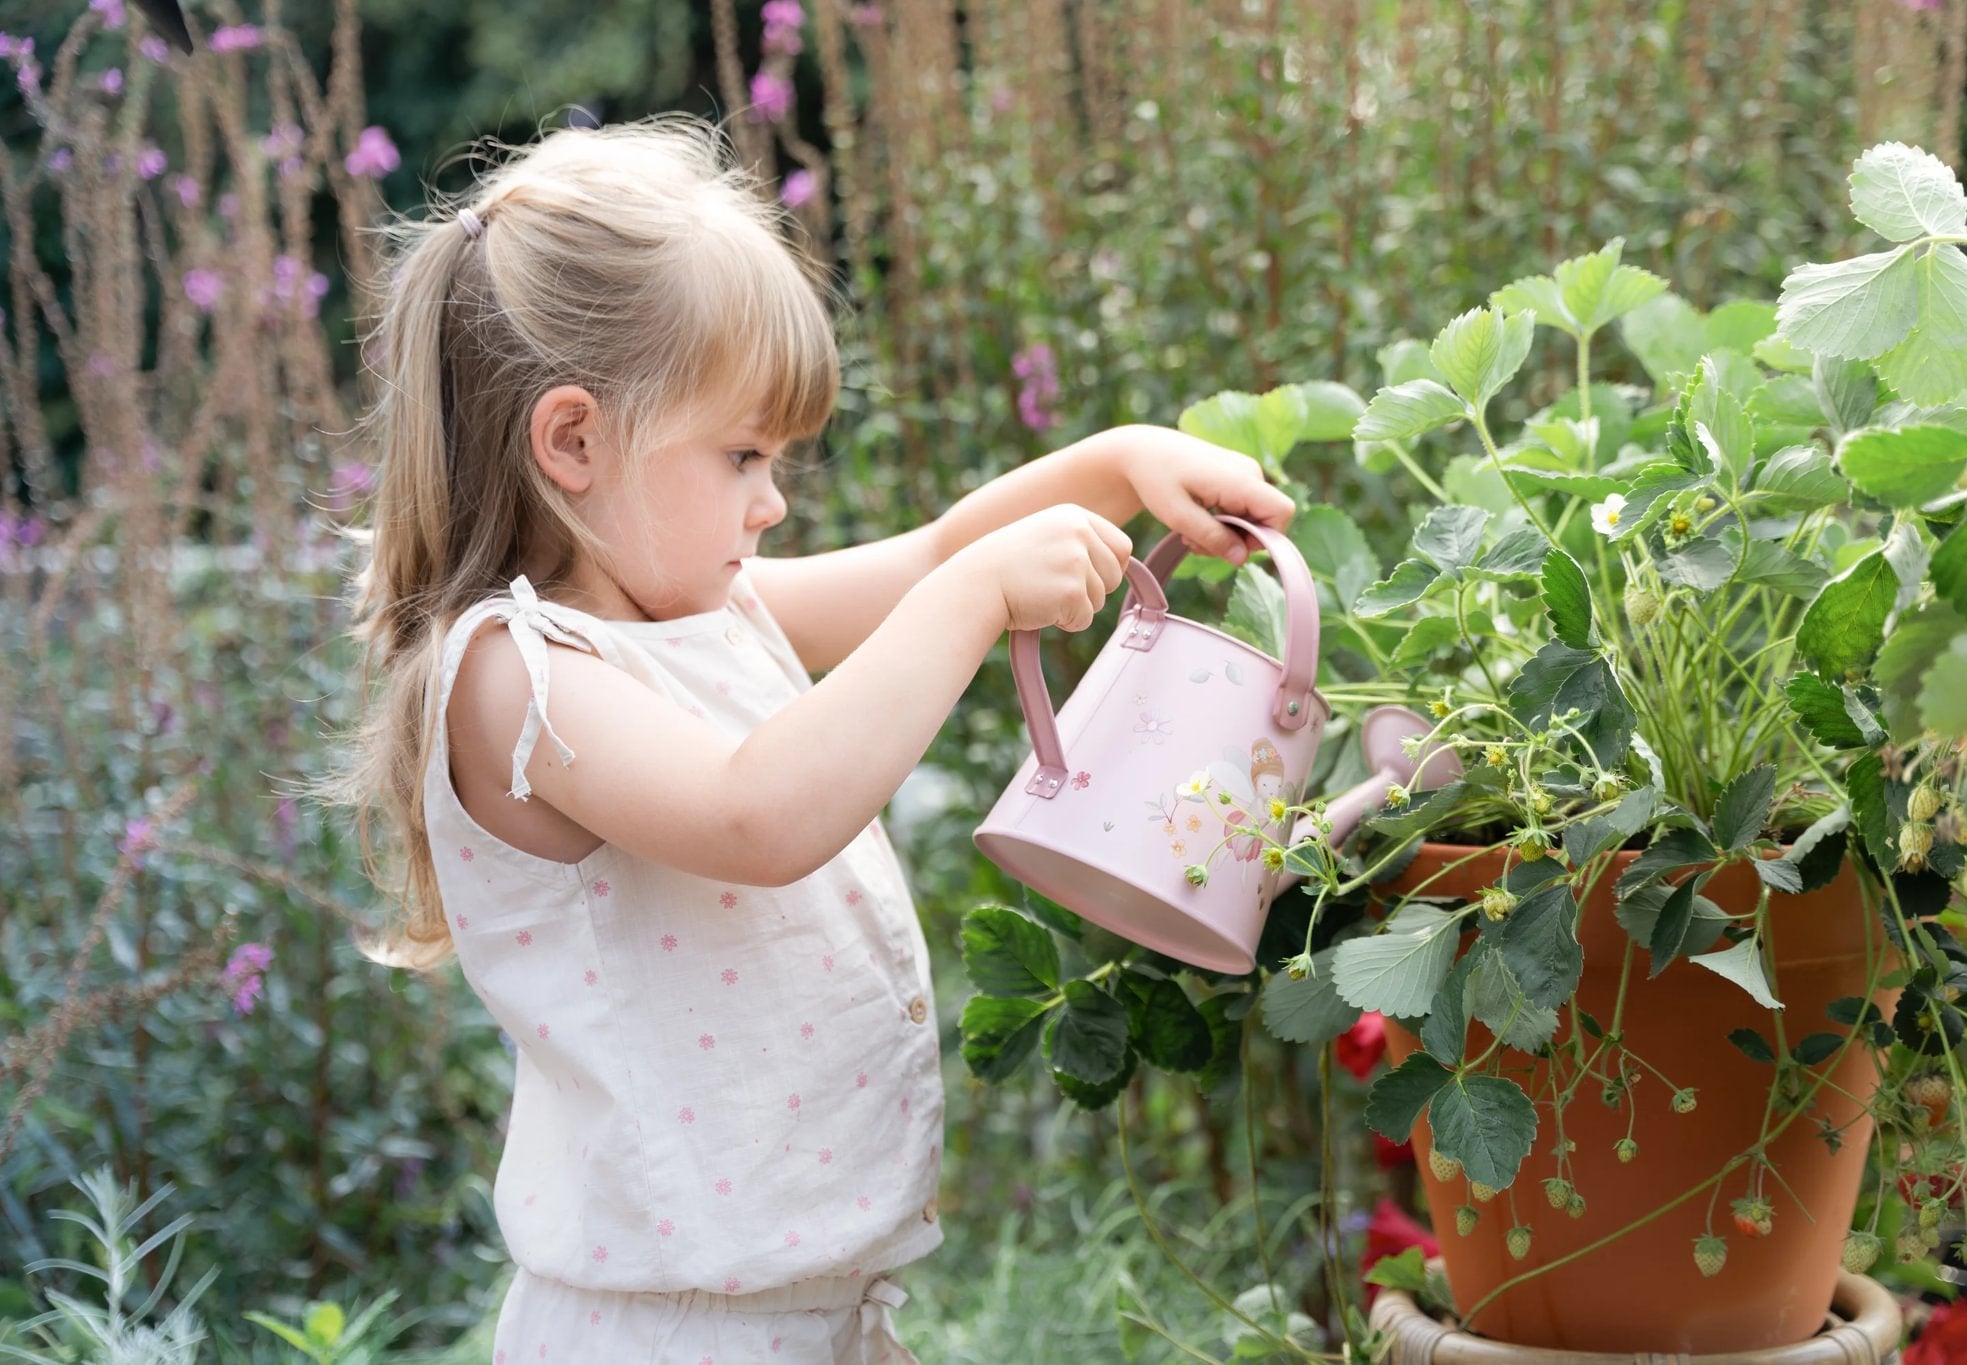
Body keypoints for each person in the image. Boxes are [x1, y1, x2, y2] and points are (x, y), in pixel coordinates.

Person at [328, 113, 1293, 1363]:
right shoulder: (516, 678)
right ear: (572, 441)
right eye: (741, 456)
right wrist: (975, 601)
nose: (771, 500)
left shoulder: (704, 611)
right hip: (663, 1337)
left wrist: (1119, 463)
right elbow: (756, 814)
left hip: (800, 1321)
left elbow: (935, 553)